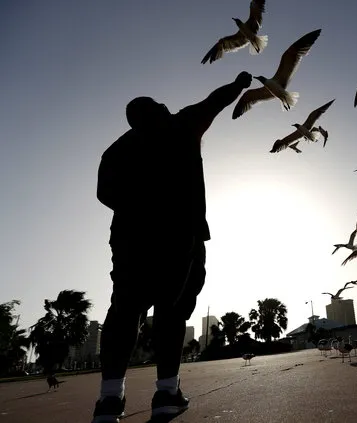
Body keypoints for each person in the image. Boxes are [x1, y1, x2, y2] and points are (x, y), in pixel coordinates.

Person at [92, 71, 253, 423]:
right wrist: (239, 84)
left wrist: (138, 207)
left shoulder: (118, 150)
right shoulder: (180, 124)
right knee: (172, 310)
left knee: (124, 312)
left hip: (130, 241)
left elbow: (105, 194)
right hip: (180, 237)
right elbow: (216, 100)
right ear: (160, 111)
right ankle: (166, 392)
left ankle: (109, 400)